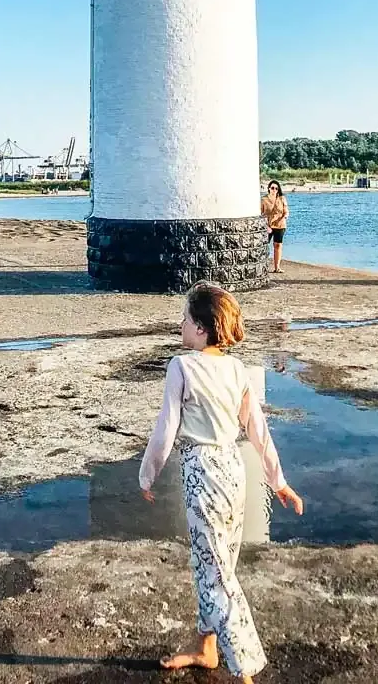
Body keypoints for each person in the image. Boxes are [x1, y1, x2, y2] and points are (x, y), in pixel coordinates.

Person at [140, 283, 303, 681]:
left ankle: (245, 671)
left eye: (185, 318)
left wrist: (147, 474)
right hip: (233, 469)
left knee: (216, 573)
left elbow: (166, 429)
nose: (180, 324)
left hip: (202, 471)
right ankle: (206, 648)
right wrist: (277, 480)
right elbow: (257, 429)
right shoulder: (237, 368)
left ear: (200, 327)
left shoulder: (182, 365)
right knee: (216, 562)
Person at [260, 180, 289, 274]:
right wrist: (266, 225)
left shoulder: (282, 198)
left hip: (280, 225)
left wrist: (284, 217)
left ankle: (277, 267)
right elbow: (260, 214)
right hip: (268, 226)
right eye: (272, 188)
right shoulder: (264, 200)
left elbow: (286, 211)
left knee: (278, 245)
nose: (274, 190)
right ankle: (261, 267)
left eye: (276, 188)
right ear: (269, 188)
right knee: (263, 246)